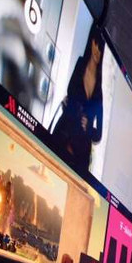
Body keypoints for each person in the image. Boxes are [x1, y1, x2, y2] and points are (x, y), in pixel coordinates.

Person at [51, 26, 104, 172]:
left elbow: (98, 134)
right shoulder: (80, 64)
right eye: (96, 45)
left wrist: (88, 127)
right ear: (91, 44)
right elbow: (70, 94)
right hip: (64, 133)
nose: (98, 51)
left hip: (81, 150)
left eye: (101, 49)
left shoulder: (99, 90)